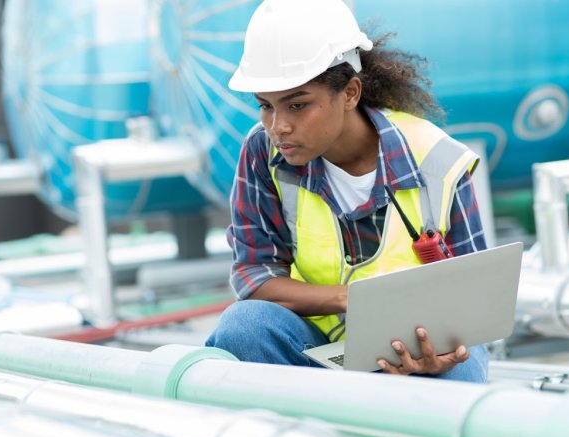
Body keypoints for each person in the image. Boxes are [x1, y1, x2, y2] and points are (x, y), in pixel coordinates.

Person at [205, 0, 489, 382]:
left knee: (461, 368)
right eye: (265, 106)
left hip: (426, 345)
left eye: (297, 105)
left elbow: (473, 297)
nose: (279, 126)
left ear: (350, 93)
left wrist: (439, 354)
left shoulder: (434, 159)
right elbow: (255, 278)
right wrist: (354, 301)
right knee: (243, 326)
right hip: (321, 345)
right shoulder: (263, 152)